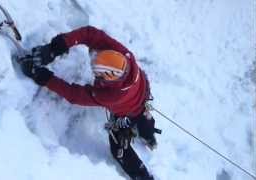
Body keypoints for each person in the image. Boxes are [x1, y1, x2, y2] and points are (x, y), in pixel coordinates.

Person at [19, 26, 159, 180]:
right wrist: (57, 46)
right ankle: (149, 136)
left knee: (118, 148)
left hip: (127, 111)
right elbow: (91, 34)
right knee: (144, 115)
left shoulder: (111, 95)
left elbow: (75, 95)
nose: (93, 58)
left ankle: (143, 176)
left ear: (106, 79)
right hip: (143, 92)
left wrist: (45, 78)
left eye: (96, 72)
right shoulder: (124, 57)